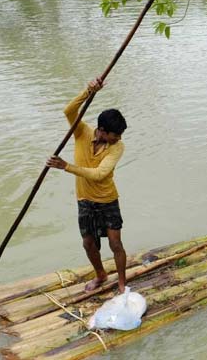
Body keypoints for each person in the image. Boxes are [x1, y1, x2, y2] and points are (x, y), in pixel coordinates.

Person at [46, 77, 128, 292]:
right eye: (115, 135)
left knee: (115, 243)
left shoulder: (117, 147)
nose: (118, 138)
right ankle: (101, 275)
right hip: (85, 199)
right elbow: (69, 111)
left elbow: (100, 174)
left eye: (120, 135)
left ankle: (121, 283)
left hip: (108, 199)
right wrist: (88, 92)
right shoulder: (81, 131)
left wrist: (66, 167)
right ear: (101, 130)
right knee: (88, 243)